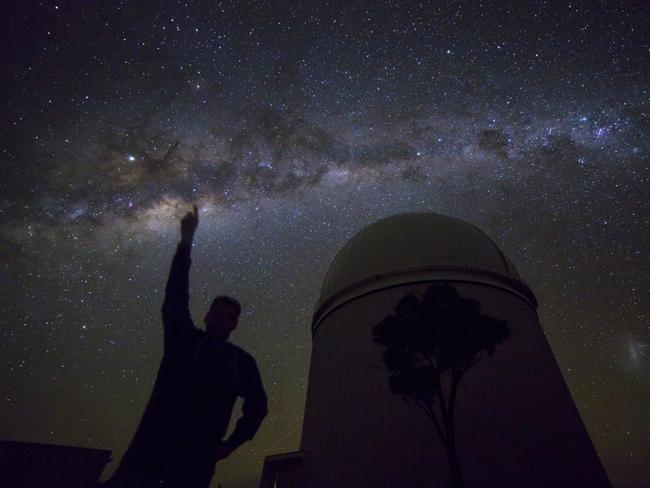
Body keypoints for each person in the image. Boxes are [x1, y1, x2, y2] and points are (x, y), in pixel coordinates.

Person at [105, 204, 268, 488]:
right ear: (206, 316)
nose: (221, 319)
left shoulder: (241, 362)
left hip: (192, 471)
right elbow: (176, 295)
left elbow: (258, 406)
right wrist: (185, 242)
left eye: (229, 316)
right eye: (217, 312)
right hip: (144, 462)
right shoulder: (183, 339)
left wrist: (231, 444)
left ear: (235, 325)